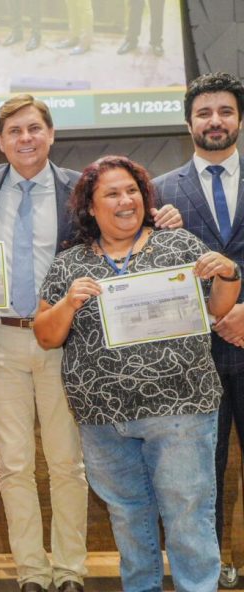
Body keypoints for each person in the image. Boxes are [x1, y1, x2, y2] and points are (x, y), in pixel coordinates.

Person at [0, 94, 181, 592]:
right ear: (0, 141)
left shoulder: (79, 188)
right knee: (13, 465)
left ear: (51, 134)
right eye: (14, 131)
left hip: (63, 340)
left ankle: (70, 571)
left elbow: (124, 228)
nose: (25, 138)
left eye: (34, 128)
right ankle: (31, 573)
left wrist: (163, 219)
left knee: (65, 462)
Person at [34, 155, 239, 592]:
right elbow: (47, 336)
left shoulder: (179, 245)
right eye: (112, 193)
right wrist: (69, 304)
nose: (125, 200)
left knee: (187, 513)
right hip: (103, 418)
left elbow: (217, 308)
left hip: (181, 409)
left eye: (132, 191)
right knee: (128, 517)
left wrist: (229, 272)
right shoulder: (69, 265)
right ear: (90, 206)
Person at [152, 71, 244, 587]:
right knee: (200, 475)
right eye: (205, 113)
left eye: (225, 112)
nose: (215, 121)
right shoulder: (161, 193)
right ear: (189, 122)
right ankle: (211, 568)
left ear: (239, 120)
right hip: (192, 356)